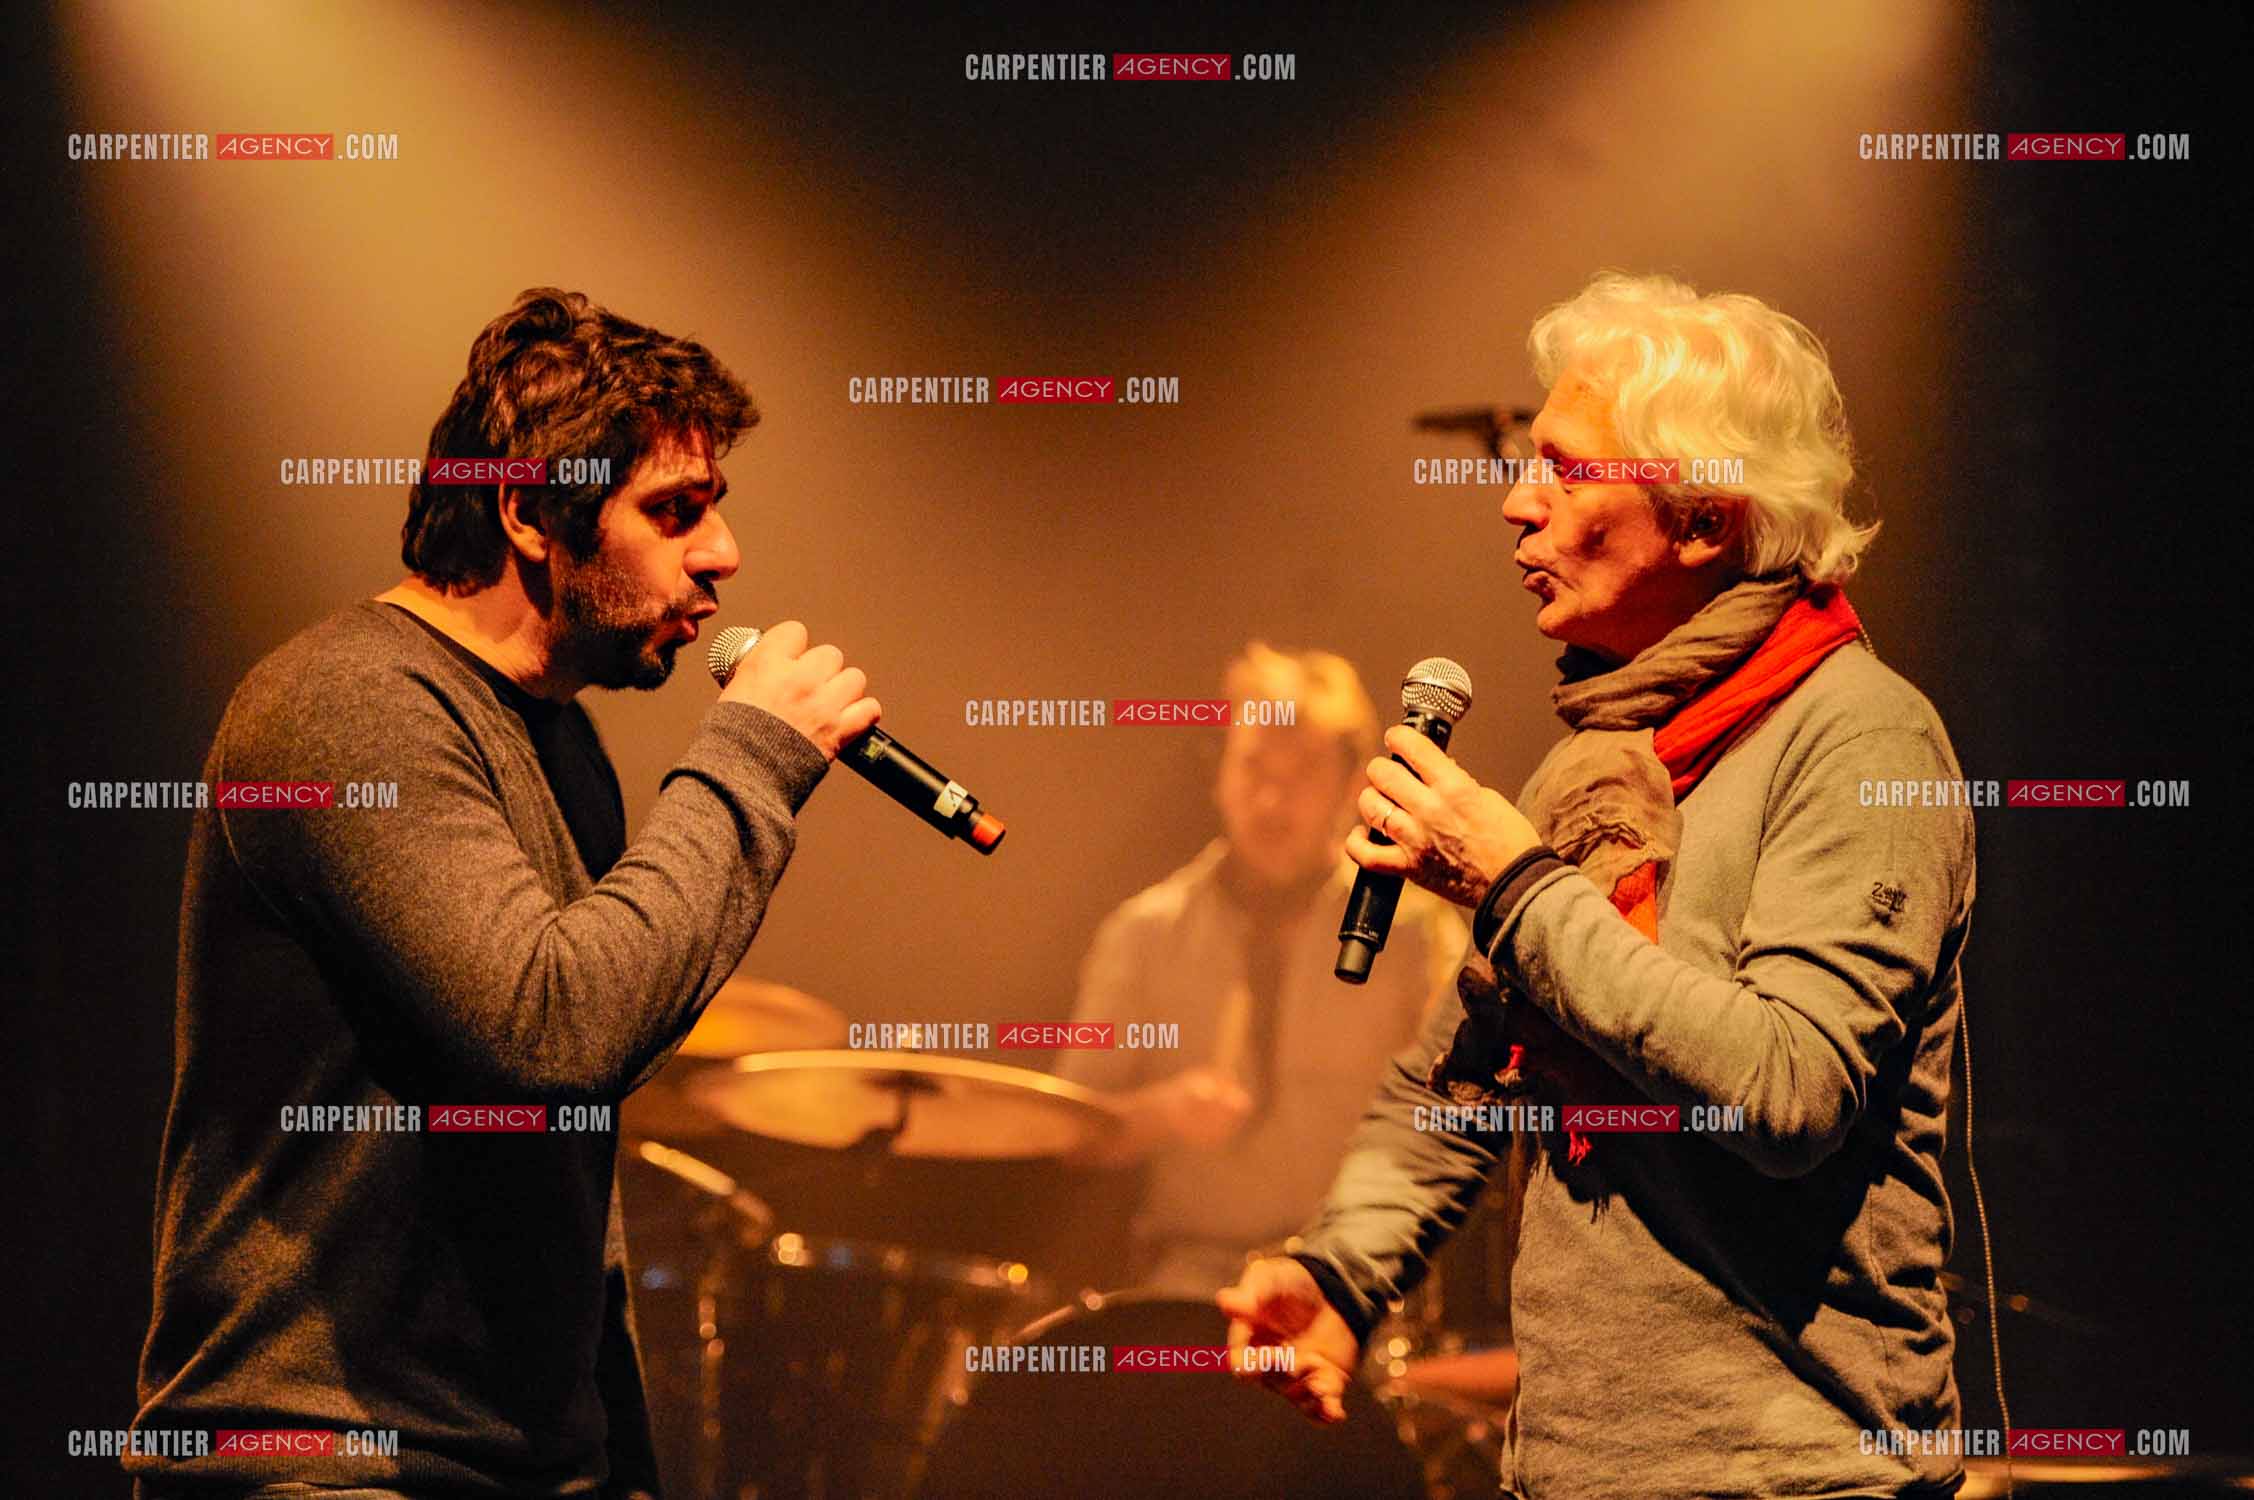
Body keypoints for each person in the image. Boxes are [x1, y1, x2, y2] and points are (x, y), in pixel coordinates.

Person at [1220, 272, 1977, 1500]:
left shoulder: (1863, 741)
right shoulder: (1600, 764)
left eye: (1566, 470)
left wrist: (1512, 882)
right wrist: (1342, 1272)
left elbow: (1788, 1091)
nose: (1515, 504)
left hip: (1793, 1481)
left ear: (1701, 518)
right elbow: (1461, 1074)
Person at [128, 289, 879, 1499]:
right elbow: (552, 1029)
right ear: (530, 508)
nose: (722, 555)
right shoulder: (352, 705)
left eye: (715, 511)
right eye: (673, 511)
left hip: (516, 1464)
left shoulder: (561, 741)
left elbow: (582, 1092)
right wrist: (748, 759)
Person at [1058, 644, 1468, 1297]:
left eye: (1302, 771)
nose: (1272, 799)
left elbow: (1458, 1118)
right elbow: (1070, 1133)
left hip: (1355, 1283)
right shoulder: (1144, 932)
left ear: (1350, 783)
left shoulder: (1414, 934)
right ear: (1219, 772)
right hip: (1189, 1280)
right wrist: (1161, 1112)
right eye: (1253, 767)